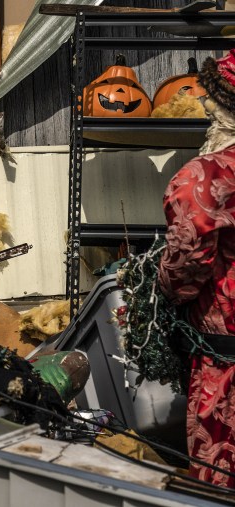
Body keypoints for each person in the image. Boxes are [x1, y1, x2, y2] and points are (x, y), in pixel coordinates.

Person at [158, 48, 235, 488]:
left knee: (221, 479)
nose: (202, 104)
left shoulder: (204, 177)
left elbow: (186, 263)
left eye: (210, 97)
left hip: (226, 360)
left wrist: (164, 295)